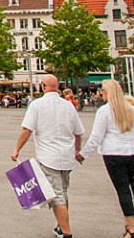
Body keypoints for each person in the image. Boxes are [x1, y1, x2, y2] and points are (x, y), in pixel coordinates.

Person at [10, 75, 85, 238]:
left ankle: (66, 232)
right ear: (57, 86)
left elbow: (27, 129)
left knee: (56, 196)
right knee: (63, 192)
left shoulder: (37, 105)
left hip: (49, 157)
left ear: (43, 86)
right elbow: (78, 132)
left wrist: (16, 149)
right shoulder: (68, 106)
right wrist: (77, 150)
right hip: (67, 157)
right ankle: (60, 226)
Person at [77, 79, 134, 238]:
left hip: (114, 154)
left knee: (123, 190)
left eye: (102, 90)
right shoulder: (132, 110)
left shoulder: (104, 111)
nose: (100, 93)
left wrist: (83, 154)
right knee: (126, 186)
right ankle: (128, 225)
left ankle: (133, 228)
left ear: (109, 92)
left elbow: (96, 137)